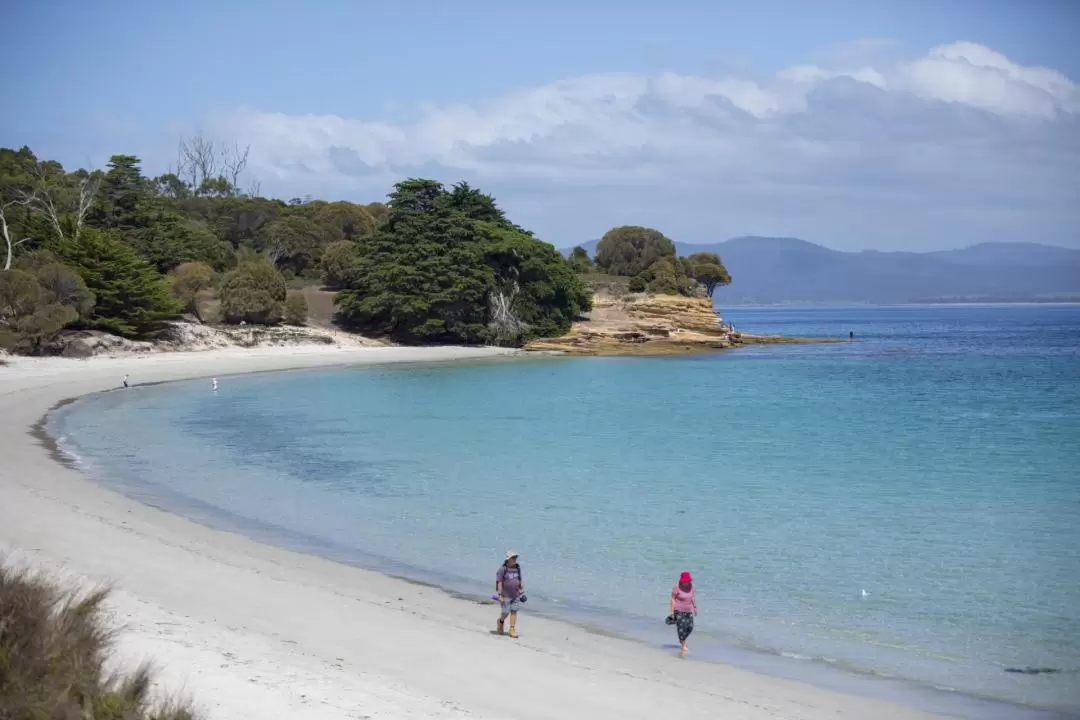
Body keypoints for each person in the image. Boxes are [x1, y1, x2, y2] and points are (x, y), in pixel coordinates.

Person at [496, 551, 525, 638]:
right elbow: (499, 582)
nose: (515, 559)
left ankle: (512, 629)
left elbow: (520, 578)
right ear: (508, 559)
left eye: (515, 557)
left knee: (514, 611)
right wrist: (500, 594)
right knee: (505, 612)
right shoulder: (502, 569)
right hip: (506, 595)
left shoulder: (517, 568)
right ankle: (500, 621)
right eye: (513, 558)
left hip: (516, 594)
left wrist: (521, 587)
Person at [669, 571, 697, 657]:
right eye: (686, 581)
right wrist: (672, 612)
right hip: (679, 610)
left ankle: (682, 640)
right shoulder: (676, 587)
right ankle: (683, 644)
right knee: (681, 628)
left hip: (689, 610)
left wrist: (695, 607)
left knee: (690, 627)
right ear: (682, 580)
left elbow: (693, 597)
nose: (687, 582)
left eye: (688, 581)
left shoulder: (692, 587)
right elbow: (673, 599)